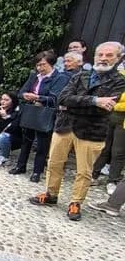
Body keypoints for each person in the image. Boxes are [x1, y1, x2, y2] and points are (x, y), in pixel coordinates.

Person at [29, 42, 125, 221]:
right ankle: (51, 194)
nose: (103, 58)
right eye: (100, 54)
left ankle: (76, 202)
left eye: (109, 55)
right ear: (95, 56)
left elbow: (104, 109)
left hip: (92, 131)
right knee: (55, 163)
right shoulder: (82, 75)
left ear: (119, 58)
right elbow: (62, 99)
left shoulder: (119, 81)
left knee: (84, 170)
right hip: (65, 125)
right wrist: (95, 100)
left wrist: (77, 104)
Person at [9, 51, 69, 182]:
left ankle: (37, 171)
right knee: (26, 140)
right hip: (30, 111)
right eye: (38, 65)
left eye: (43, 65)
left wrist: (38, 98)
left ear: (51, 64)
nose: (40, 68)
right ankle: (21, 165)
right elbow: (21, 92)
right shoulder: (34, 76)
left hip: (45, 114)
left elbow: (56, 98)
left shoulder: (59, 78)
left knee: (42, 143)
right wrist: (26, 96)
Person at [91, 61, 125, 194]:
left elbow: (114, 99)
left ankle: (113, 180)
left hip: (122, 120)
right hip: (108, 115)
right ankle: (94, 174)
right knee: (103, 147)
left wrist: (113, 104)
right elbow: (108, 95)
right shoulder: (118, 76)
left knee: (118, 151)